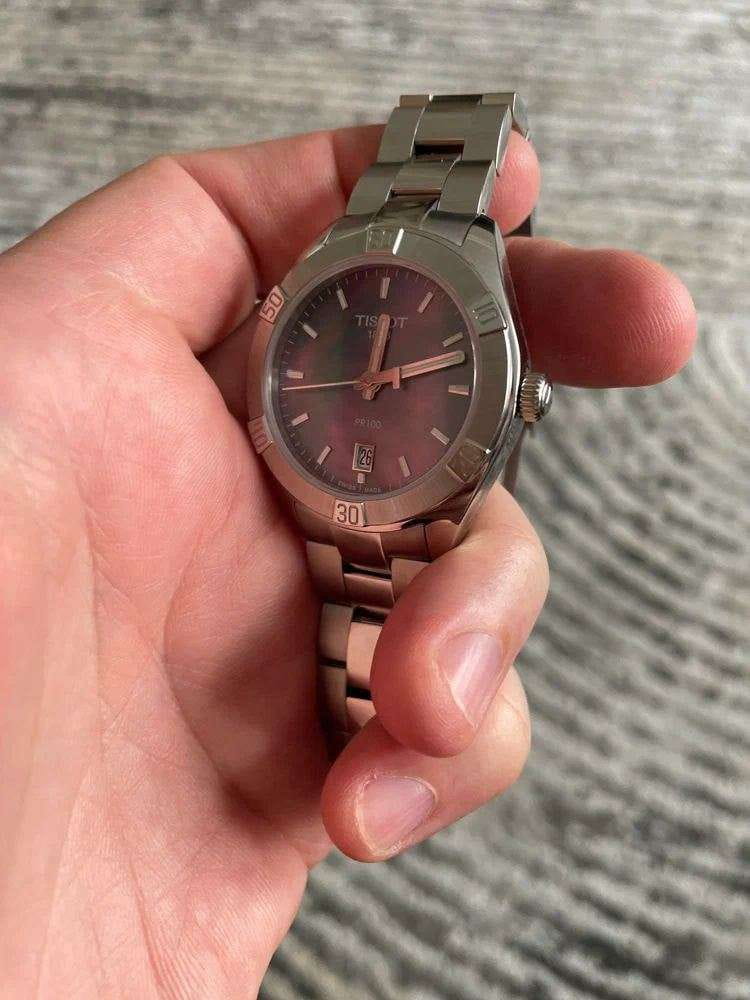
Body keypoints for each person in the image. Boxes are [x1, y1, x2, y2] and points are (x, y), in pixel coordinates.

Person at [0, 123, 695, 997]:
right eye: (363, 379)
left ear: (524, 398)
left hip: (376, 503)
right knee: (423, 681)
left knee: (425, 681)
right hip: (315, 488)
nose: (369, 386)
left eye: (381, 383)